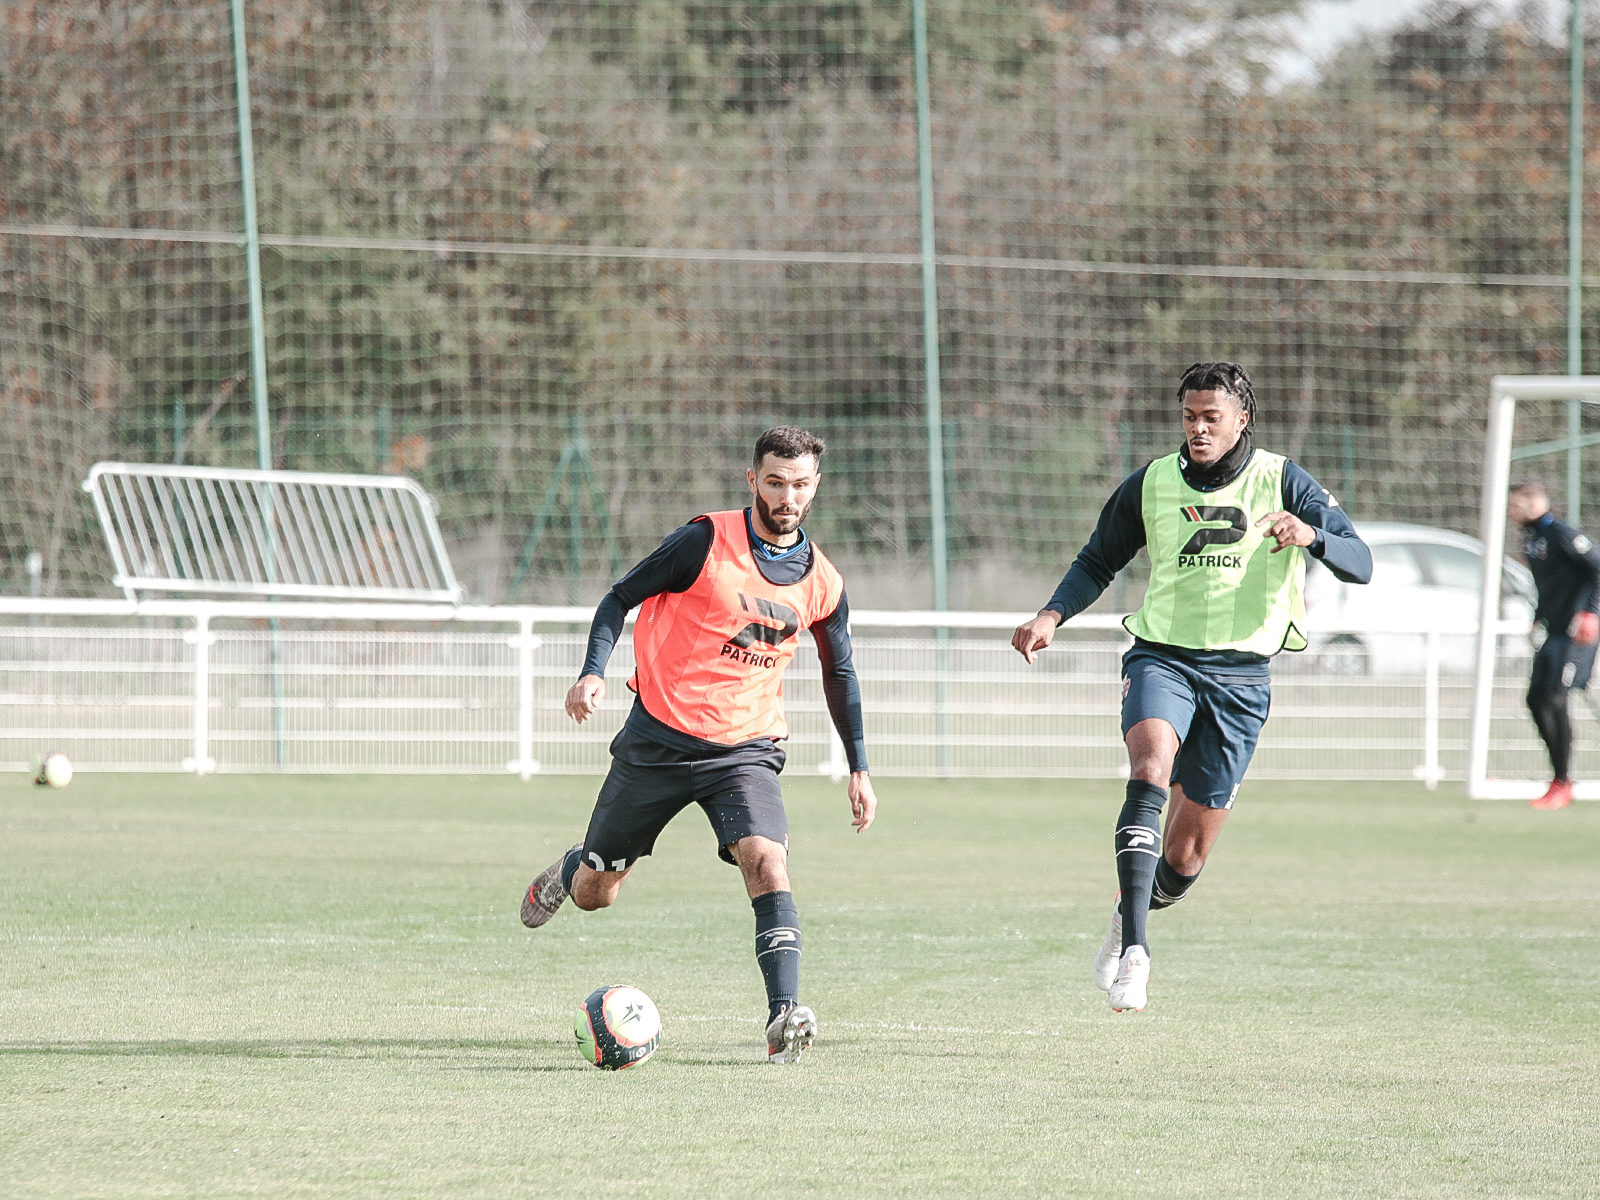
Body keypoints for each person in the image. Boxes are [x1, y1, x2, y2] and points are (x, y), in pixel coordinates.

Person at [1011, 362, 1372, 1013]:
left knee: (1184, 859)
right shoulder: (1151, 482)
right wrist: (1050, 614)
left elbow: (1361, 561)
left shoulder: (1283, 480)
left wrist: (1311, 534)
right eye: (1189, 417)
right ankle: (1137, 954)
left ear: (1242, 420)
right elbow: (1098, 558)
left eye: (1212, 417)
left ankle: (1130, 912)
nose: (1199, 429)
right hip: (1163, 659)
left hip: (1242, 680)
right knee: (1149, 768)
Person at [519, 425, 877, 1064]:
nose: (786, 496)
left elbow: (839, 672)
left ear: (815, 487)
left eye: (799, 485)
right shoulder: (704, 541)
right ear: (753, 481)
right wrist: (591, 671)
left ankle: (783, 1018)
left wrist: (860, 767)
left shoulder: (824, 581)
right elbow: (617, 599)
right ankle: (577, 865)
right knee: (599, 893)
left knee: (768, 863)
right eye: (774, 482)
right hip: (657, 740)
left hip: (746, 750)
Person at [1507, 481, 1600, 810]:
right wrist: (1537, 617)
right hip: (1553, 631)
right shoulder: (1532, 539)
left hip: (1576, 633)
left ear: (1535, 504)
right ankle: (1559, 779)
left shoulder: (1561, 534)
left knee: (1557, 698)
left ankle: (1563, 781)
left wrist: (1592, 613)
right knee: (1536, 698)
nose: (1510, 510)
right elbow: (1548, 585)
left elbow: (1597, 568)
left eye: (1516, 503)